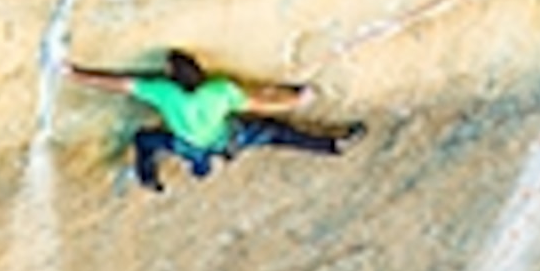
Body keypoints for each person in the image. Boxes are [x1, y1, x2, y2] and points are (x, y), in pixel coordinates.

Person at [66, 51, 365, 190]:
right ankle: (331, 145)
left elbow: (117, 84)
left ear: (172, 76)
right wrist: (296, 98)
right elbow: (261, 101)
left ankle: (149, 177)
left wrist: (76, 74)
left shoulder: (164, 92)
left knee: (146, 140)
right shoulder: (218, 90)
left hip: (189, 145)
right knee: (278, 134)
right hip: (226, 138)